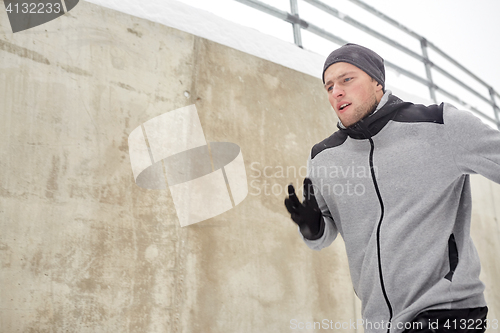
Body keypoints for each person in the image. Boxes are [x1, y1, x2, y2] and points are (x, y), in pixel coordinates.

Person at [284, 43, 500, 333]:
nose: (336, 91)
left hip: (448, 312)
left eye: (347, 79)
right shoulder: (324, 157)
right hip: (379, 323)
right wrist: (313, 228)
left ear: (377, 82)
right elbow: (324, 235)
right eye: (329, 86)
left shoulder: (439, 124)